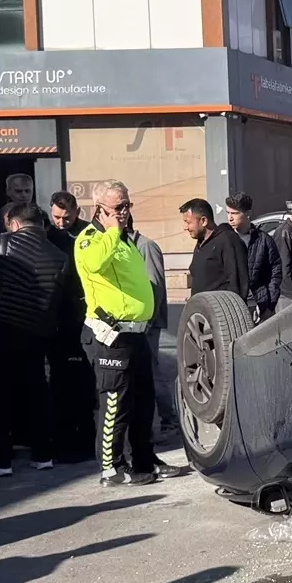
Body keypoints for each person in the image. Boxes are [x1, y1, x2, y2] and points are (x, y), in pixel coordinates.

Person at [76, 180, 187, 486]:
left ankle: (144, 458)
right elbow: (95, 264)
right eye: (118, 207)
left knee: (142, 400)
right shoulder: (90, 239)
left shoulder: (124, 241)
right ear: (100, 210)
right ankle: (112, 467)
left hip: (137, 333)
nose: (124, 212)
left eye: (127, 205)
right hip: (112, 333)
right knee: (115, 402)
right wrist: (111, 230)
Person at [0, 202, 70, 476]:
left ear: (12, 222)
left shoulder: (0, 243)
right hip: (37, 333)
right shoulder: (59, 255)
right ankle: (43, 456)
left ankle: (2, 461)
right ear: (41, 224)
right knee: (36, 392)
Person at [47, 190, 95, 463]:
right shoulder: (48, 234)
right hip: (58, 318)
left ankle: (87, 439)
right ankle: (64, 439)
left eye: (66, 217)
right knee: (60, 382)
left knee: (85, 381)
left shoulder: (88, 233)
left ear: (77, 212)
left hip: (84, 314)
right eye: (56, 217)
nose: (61, 222)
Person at [127, 213, 175, 435]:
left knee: (152, 371)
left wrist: (148, 320)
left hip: (147, 322)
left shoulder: (146, 246)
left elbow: (154, 285)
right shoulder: (127, 246)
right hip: (134, 321)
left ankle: (170, 418)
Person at [225, 193, 281, 321]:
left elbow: (275, 273)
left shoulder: (263, 241)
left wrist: (268, 306)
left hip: (256, 304)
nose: (230, 218)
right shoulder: (224, 239)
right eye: (228, 213)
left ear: (248, 214)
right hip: (228, 305)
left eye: (234, 213)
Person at [180, 198, 249, 297]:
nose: (185, 227)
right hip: (201, 310)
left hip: (221, 310)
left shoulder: (228, 240)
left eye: (188, 222)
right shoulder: (201, 244)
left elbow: (237, 282)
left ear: (203, 221)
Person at [0, 173, 49, 239]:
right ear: (8, 191)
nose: (23, 195)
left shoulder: (42, 215)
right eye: (18, 191)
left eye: (27, 191)